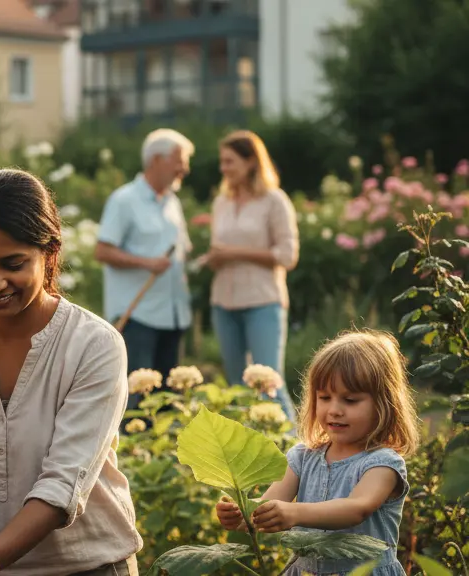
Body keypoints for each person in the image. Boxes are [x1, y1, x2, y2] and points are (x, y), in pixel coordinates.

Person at [0, 169, 143, 576]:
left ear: (51, 252)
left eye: (13, 264)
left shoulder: (94, 345)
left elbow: (60, 491)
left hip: (89, 567)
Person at [216, 330, 420, 576]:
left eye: (350, 400)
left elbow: (357, 508)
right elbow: (266, 506)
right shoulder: (303, 457)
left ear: (384, 403)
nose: (334, 410)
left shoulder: (383, 463)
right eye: (324, 397)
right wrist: (241, 515)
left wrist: (293, 513)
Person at [95, 128, 194, 414]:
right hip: (139, 316)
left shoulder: (172, 203)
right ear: (156, 160)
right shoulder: (124, 200)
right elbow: (102, 250)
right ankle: (132, 456)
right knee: (137, 400)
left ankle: (161, 457)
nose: (184, 169)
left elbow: (181, 251)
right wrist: (147, 263)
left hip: (173, 315)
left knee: (167, 401)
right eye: (179, 160)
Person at [202, 130, 299, 419]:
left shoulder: (274, 201)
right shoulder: (222, 202)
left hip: (262, 302)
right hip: (224, 302)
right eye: (222, 162)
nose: (223, 168)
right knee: (237, 387)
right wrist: (215, 258)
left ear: (251, 162)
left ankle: (297, 454)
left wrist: (233, 253)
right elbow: (222, 248)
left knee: (268, 381)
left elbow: (288, 255)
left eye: (229, 161)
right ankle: (250, 457)